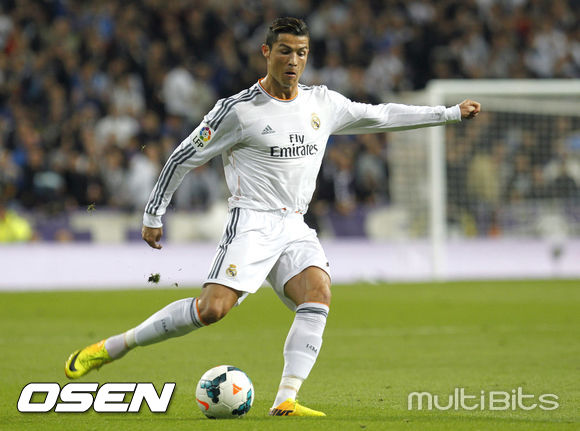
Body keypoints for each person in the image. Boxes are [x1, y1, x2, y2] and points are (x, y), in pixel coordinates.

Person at [64, 17, 481, 417]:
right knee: (211, 310)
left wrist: (447, 113)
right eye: (285, 51)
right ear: (266, 52)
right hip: (251, 222)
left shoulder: (322, 103)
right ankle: (114, 347)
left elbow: (381, 115)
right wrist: (154, 213)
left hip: (294, 224)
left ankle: (286, 399)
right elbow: (181, 157)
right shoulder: (238, 111)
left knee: (317, 292)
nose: (293, 61)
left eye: (301, 52)